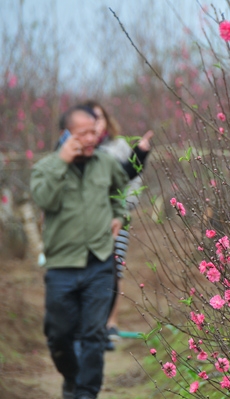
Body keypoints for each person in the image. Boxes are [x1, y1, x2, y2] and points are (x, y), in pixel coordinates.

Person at [30, 105, 129, 399]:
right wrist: (62, 162)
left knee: (94, 336)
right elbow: (44, 199)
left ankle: (86, 393)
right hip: (62, 266)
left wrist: (119, 214)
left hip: (99, 262)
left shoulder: (106, 163)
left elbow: (121, 190)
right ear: (66, 135)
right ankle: (72, 377)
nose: (91, 138)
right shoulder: (46, 167)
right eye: (83, 133)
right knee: (59, 336)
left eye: (93, 132)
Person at [82, 100, 153, 348]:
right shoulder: (78, 148)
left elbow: (131, 177)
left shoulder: (118, 146)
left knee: (114, 269)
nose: (95, 122)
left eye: (98, 117)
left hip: (117, 220)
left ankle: (109, 324)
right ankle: (89, 326)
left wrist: (123, 210)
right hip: (87, 223)